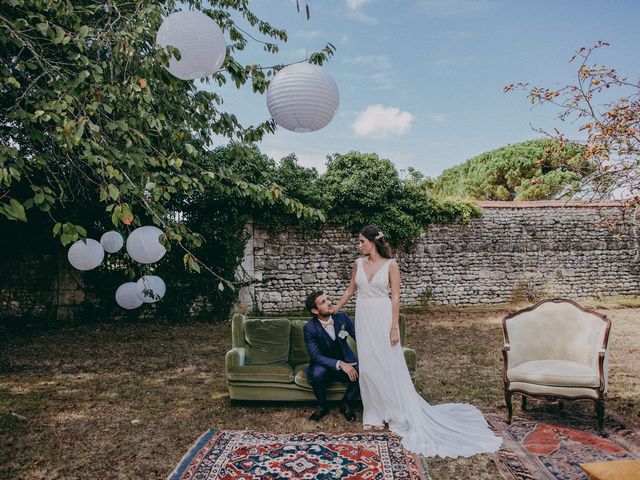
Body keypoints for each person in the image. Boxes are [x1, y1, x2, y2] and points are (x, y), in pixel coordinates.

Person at [330, 224, 502, 457]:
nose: (358, 245)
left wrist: (393, 327)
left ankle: (394, 412)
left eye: (361, 241)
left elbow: (396, 297)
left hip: (381, 317)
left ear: (373, 241)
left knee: (386, 365)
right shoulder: (358, 264)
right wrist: (335, 309)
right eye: (358, 241)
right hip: (363, 318)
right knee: (369, 367)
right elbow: (351, 290)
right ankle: (373, 412)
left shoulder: (391, 265)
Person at [303, 290, 359, 422]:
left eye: (327, 299)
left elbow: (360, 338)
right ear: (315, 311)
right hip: (324, 367)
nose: (329, 303)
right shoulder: (309, 328)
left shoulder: (342, 318)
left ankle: (345, 403)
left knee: (363, 369)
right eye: (323, 302)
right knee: (317, 373)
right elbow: (316, 356)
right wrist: (340, 364)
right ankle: (323, 407)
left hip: (346, 362)